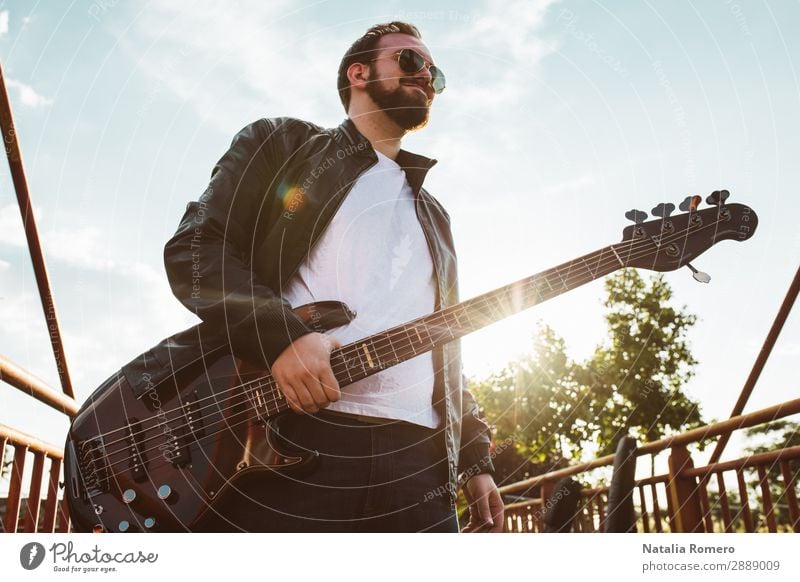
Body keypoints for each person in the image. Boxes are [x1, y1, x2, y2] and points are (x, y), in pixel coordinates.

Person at [163, 21, 504, 532]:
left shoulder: (435, 217)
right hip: (298, 439)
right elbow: (195, 249)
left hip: (422, 465)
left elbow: (444, 341)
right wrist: (282, 338)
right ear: (359, 72)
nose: (427, 77)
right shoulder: (282, 144)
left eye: (437, 75)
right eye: (412, 61)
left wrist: (475, 457)